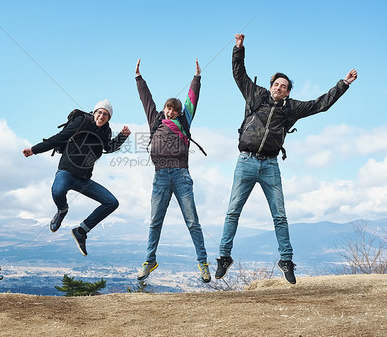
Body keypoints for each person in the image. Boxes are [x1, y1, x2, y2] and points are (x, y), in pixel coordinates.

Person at [215, 33, 358, 284]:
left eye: (283, 85)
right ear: (270, 85)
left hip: (270, 165)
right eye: (276, 84)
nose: (278, 87)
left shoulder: (292, 108)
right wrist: (239, 48)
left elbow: (320, 104)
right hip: (246, 161)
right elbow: (239, 74)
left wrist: (343, 84)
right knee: (232, 212)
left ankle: (286, 260)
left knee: (279, 215)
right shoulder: (256, 95)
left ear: (288, 91)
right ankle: (224, 257)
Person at [135, 58, 211, 283]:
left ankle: (203, 263)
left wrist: (196, 77)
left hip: (181, 175)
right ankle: (150, 261)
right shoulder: (155, 120)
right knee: (155, 222)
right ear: (164, 109)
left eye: (174, 110)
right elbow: (145, 99)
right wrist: (139, 77)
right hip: (160, 176)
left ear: (179, 112)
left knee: (192, 222)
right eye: (168, 108)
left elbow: (192, 100)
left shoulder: (184, 121)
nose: (170, 112)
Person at [23, 100, 131, 256]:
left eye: (105, 114)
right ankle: (62, 210)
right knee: (58, 191)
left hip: (84, 179)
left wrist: (122, 136)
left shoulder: (106, 131)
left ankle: (81, 231)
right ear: (94, 112)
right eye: (99, 112)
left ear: (108, 118)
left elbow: (108, 147)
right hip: (66, 172)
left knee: (112, 202)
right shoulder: (82, 121)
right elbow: (60, 137)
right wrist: (34, 149)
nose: (101, 116)